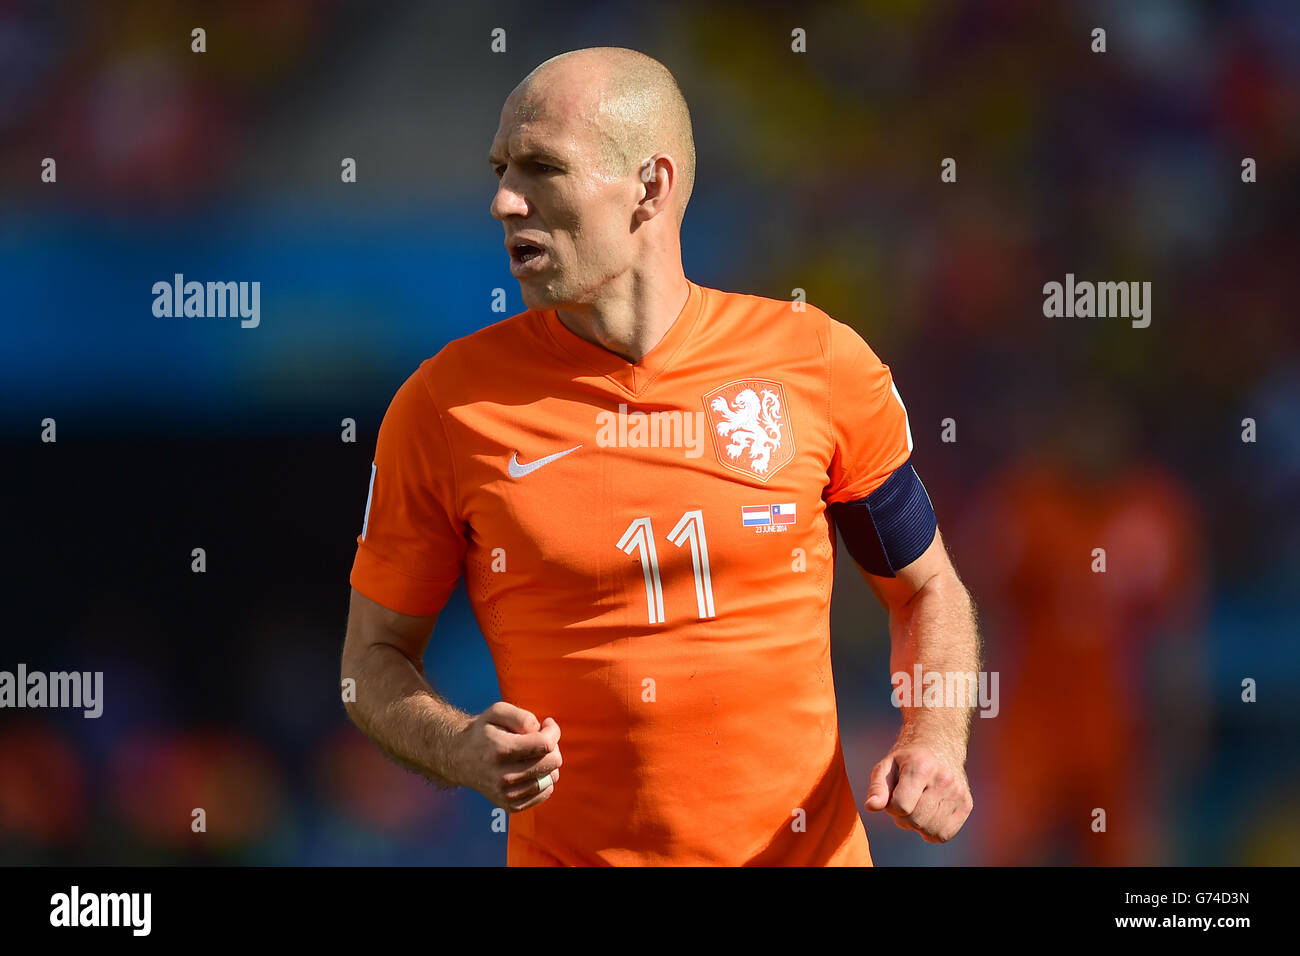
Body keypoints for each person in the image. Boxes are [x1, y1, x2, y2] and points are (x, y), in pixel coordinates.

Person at [341, 46, 979, 866]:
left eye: (542, 168)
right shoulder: (444, 407)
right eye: (500, 168)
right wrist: (460, 746)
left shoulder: (816, 363)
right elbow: (372, 661)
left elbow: (926, 590)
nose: (504, 200)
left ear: (651, 186)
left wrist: (933, 737)